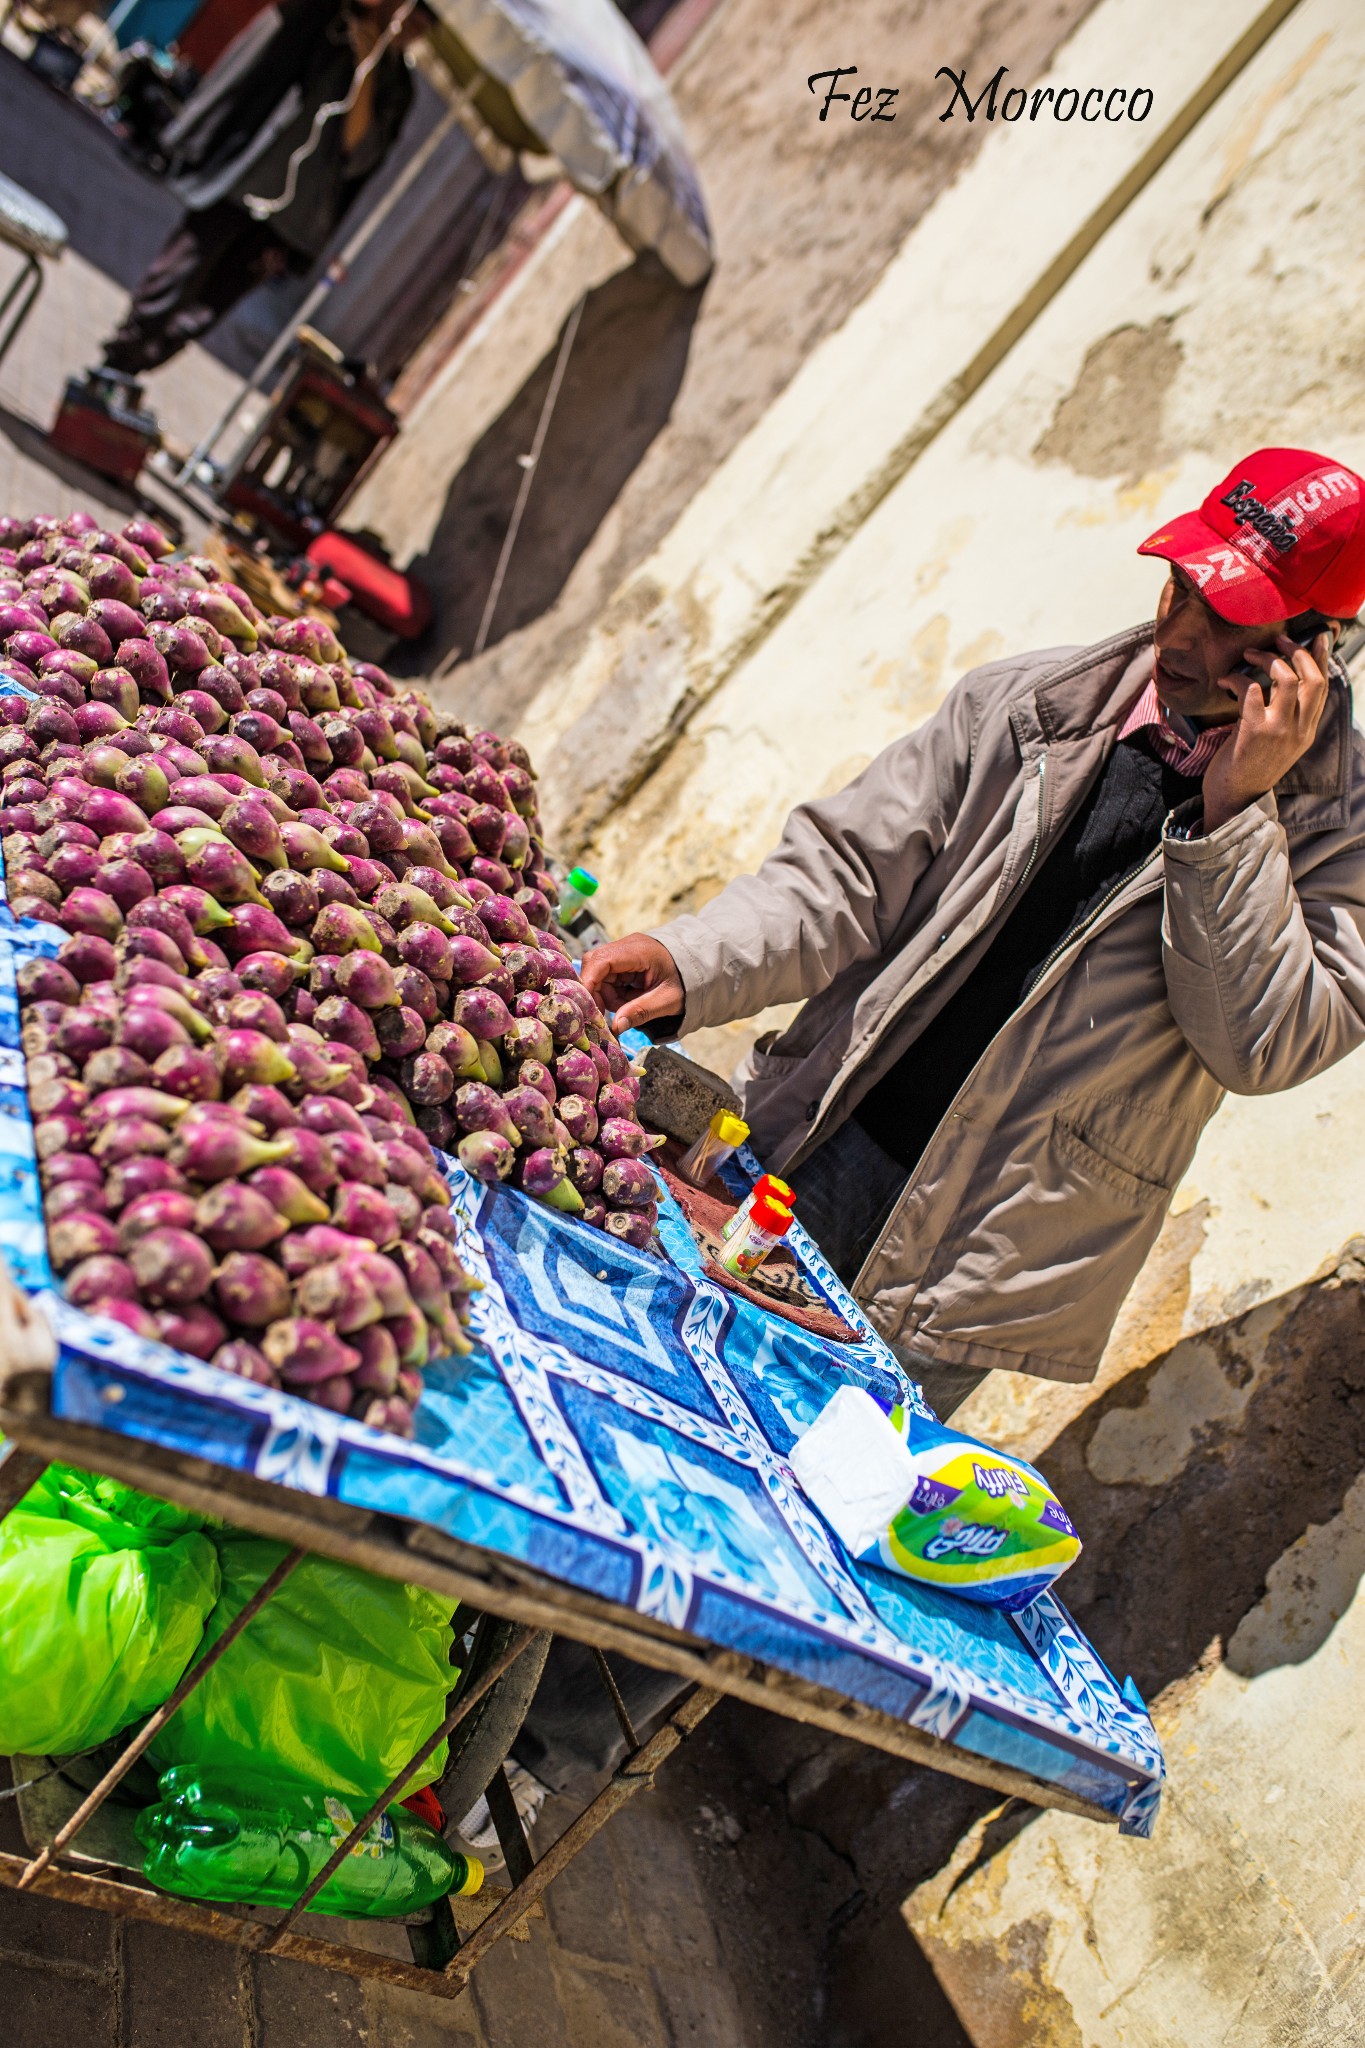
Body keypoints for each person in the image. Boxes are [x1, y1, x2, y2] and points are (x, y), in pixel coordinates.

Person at [581, 447, 1365, 1421]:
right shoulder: (1031, 702)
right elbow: (847, 872)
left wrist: (1237, 812)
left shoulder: (1340, 835)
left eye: (1227, 620)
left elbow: (1260, 1042)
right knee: (633, 1401)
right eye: (1177, 588)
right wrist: (691, 960)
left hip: (972, 1272)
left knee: (807, 1501)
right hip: (814, 1144)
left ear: (1314, 649)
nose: (1178, 632)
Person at [99, 0, 418, 377]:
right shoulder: (322, 17)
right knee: (173, 275)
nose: (407, 20)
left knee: (208, 307)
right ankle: (116, 360)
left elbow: (359, 153)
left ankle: (133, 369)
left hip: (293, 219)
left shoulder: (396, 85)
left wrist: (368, 68)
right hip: (242, 180)